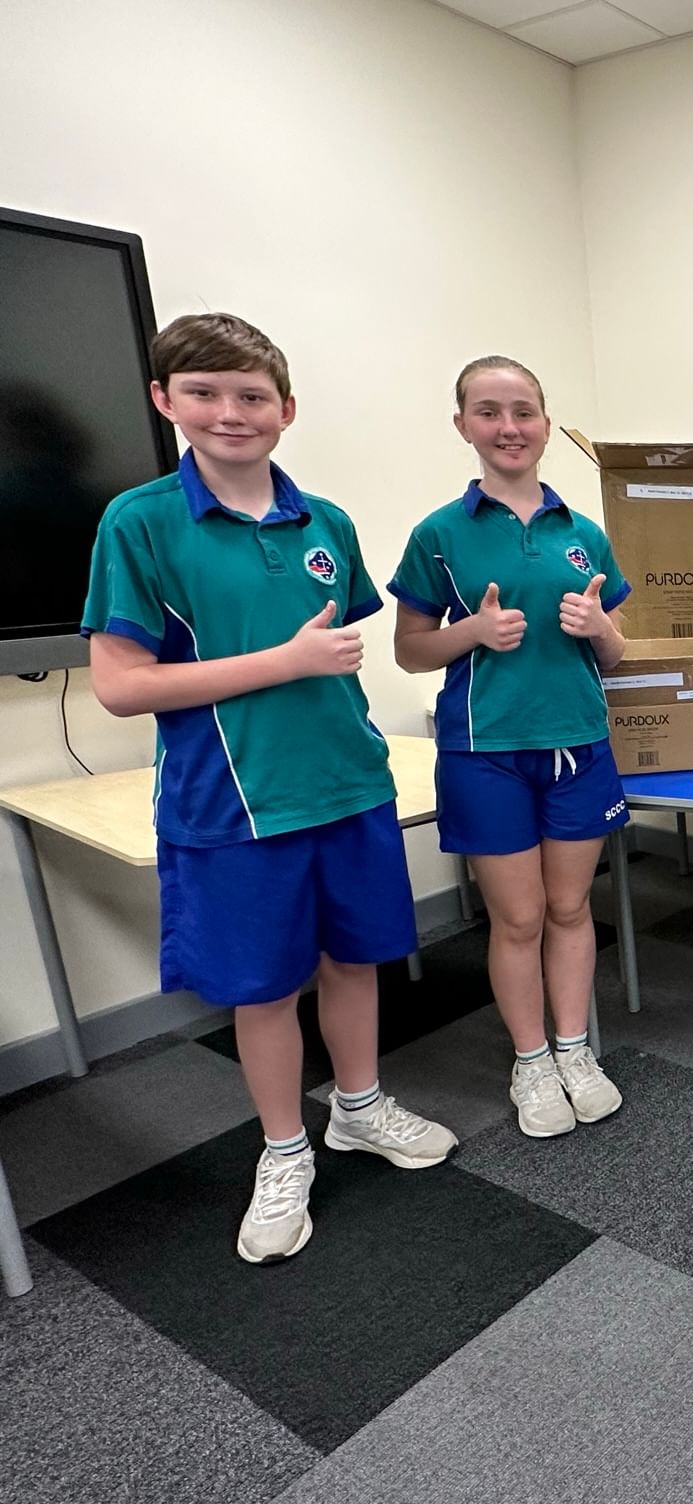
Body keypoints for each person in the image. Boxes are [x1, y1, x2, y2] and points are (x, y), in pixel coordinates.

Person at [82, 313, 457, 1266]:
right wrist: (281, 662)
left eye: (251, 395)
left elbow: (345, 655)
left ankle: (360, 1111)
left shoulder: (324, 521)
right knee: (261, 990)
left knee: (356, 960)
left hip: (346, 784)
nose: (229, 412)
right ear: (166, 402)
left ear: (285, 411)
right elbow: (123, 687)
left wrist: (308, 671)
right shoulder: (140, 521)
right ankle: (284, 1149)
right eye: (202, 392)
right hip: (233, 803)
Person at [389, 356, 630, 1139]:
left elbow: (617, 652)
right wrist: (472, 633)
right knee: (518, 918)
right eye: (488, 411)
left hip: (577, 747)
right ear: (463, 426)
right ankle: (531, 1062)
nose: (508, 427)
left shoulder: (582, 532)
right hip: (484, 751)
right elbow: (411, 651)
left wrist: (601, 631)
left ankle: (574, 1050)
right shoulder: (440, 533)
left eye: (522, 410)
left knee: (569, 906)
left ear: (546, 424)